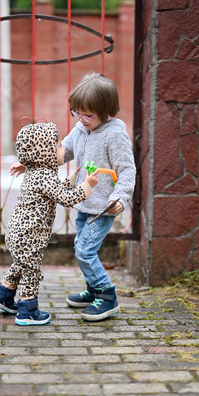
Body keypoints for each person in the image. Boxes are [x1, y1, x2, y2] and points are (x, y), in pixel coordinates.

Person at [0, 121, 98, 326]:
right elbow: (65, 199)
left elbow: (55, 192)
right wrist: (86, 186)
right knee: (32, 271)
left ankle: (2, 296)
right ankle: (27, 311)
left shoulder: (36, 173)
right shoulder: (45, 175)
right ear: (44, 153)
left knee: (21, 265)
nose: (63, 149)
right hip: (30, 236)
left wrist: (73, 178)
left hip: (17, 234)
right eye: (58, 147)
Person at [62, 72, 136, 321]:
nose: (81, 119)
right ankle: (94, 291)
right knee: (80, 248)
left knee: (84, 251)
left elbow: (127, 170)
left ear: (105, 111)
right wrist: (33, 160)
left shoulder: (114, 135)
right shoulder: (81, 129)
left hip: (104, 207)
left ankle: (107, 298)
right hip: (84, 202)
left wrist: (120, 197)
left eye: (88, 115)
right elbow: (65, 151)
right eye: (76, 112)